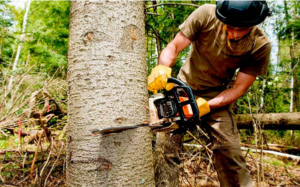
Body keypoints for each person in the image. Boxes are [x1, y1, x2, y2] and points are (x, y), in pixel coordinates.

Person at [147, 1, 272, 186]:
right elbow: (173, 46)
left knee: (229, 149)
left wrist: (207, 105)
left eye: (241, 29)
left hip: (217, 97)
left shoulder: (260, 46)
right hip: (183, 87)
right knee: (165, 148)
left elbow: (239, 88)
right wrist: (162, 68)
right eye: (229, 27)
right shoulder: (206, 14)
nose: (234, 34)